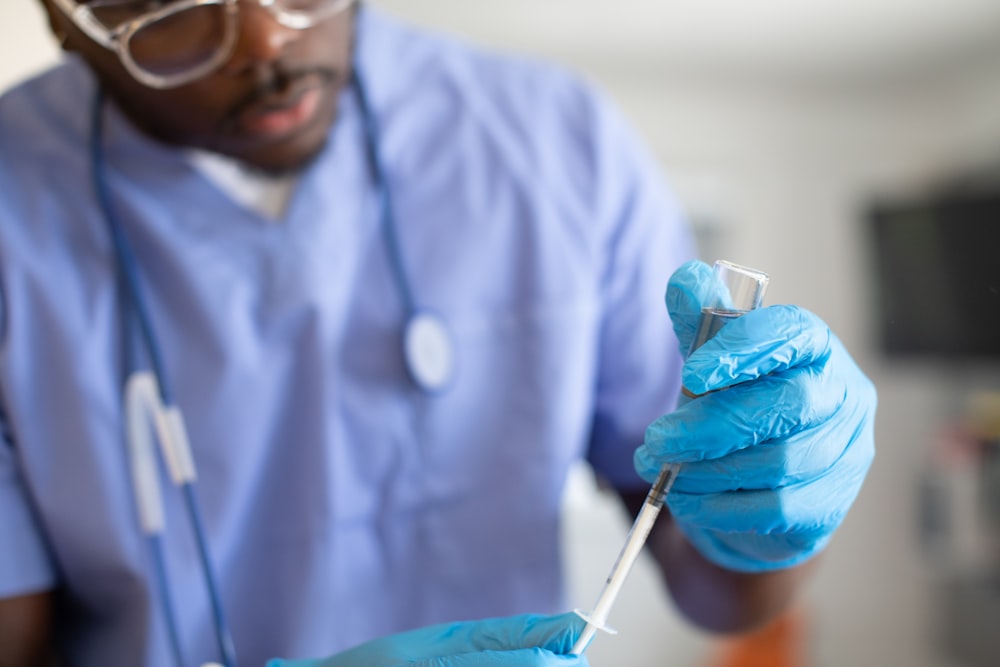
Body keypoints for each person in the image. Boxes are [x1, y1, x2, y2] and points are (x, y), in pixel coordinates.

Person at [0, 1, 877, 666]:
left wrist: (764, 514)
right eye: (169, 5)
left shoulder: (557, 144)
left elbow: (716, 586)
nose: (265, 40)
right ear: (62, 20)